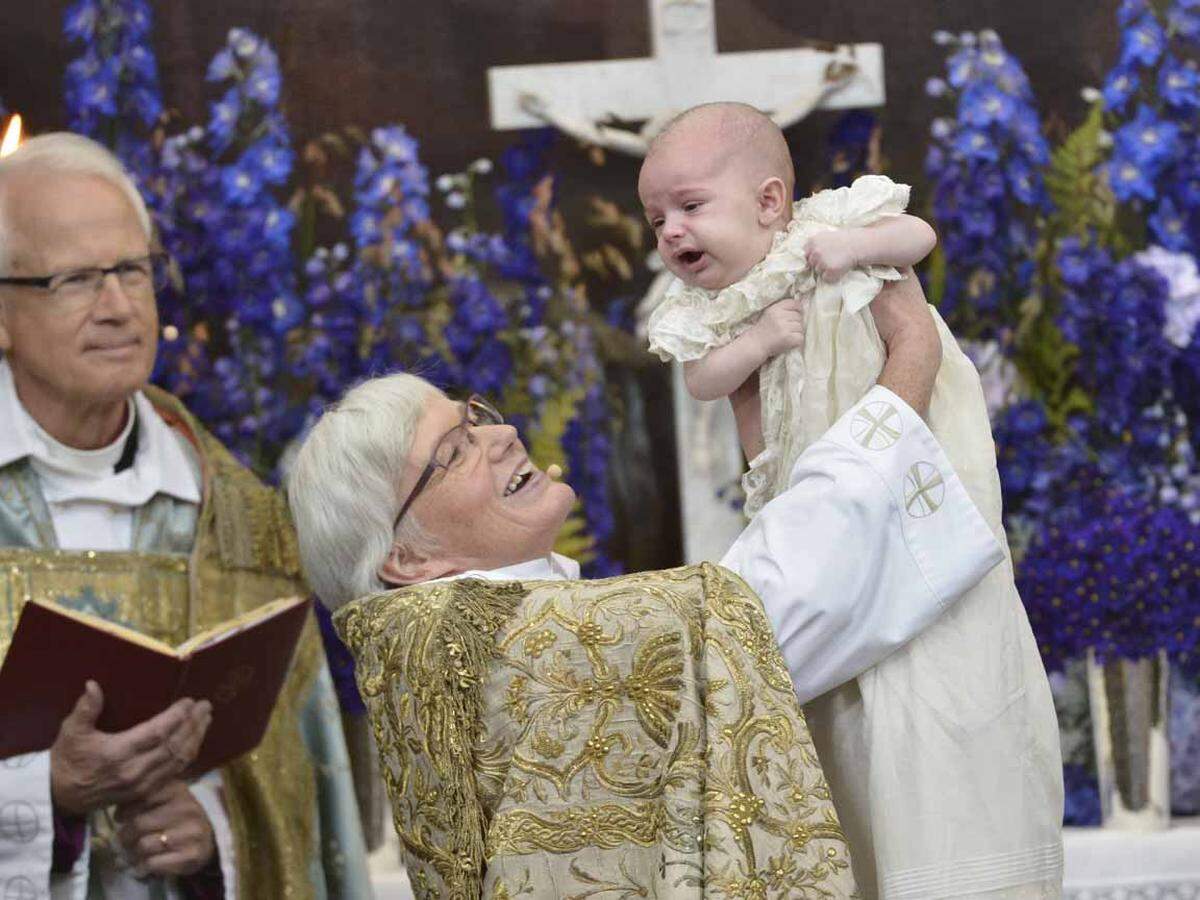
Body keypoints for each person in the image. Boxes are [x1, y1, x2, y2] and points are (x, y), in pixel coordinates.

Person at [286, 274, 1008, 898]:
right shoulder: (520, 642)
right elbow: (761, 612)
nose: (499, 436)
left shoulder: (429, 646)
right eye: (453, 451)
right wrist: (912, 360)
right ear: (406, 560)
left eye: (472, 417)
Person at [640, 102, 1063, 897]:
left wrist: (854, 249)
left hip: (903, 462)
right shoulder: (716, 308)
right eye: (655, 217)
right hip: (819, 490)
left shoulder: (829, 225)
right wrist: (761, 339)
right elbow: (704, 380)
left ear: (769, 201)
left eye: (689, 207)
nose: (670, 232)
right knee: (848, 707)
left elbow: (916, 241)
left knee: (942, 666)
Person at [0, 133, 372, 899]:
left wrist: (215, 842)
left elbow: (301, 794)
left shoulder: (240, 523)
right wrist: (48, 800)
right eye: (74, 279)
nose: (118, 307)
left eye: (133, 270)